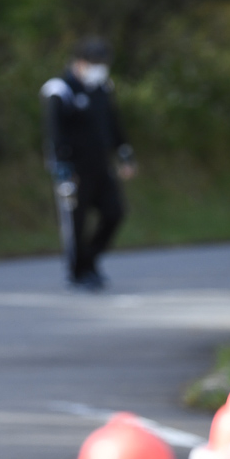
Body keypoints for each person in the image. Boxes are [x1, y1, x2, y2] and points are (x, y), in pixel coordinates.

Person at [41, 36, 137, 291]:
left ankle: (90, 260)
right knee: (76, 221)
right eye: (94, 62)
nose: (99, 68)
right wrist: (62, 167)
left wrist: (124, 153)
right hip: (75, 168)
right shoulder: (60, 89)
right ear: (80, 62)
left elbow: (112, 123)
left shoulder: (102, 87)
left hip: (101, 164)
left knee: (114, 212)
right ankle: (77, 272)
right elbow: (54, 131)